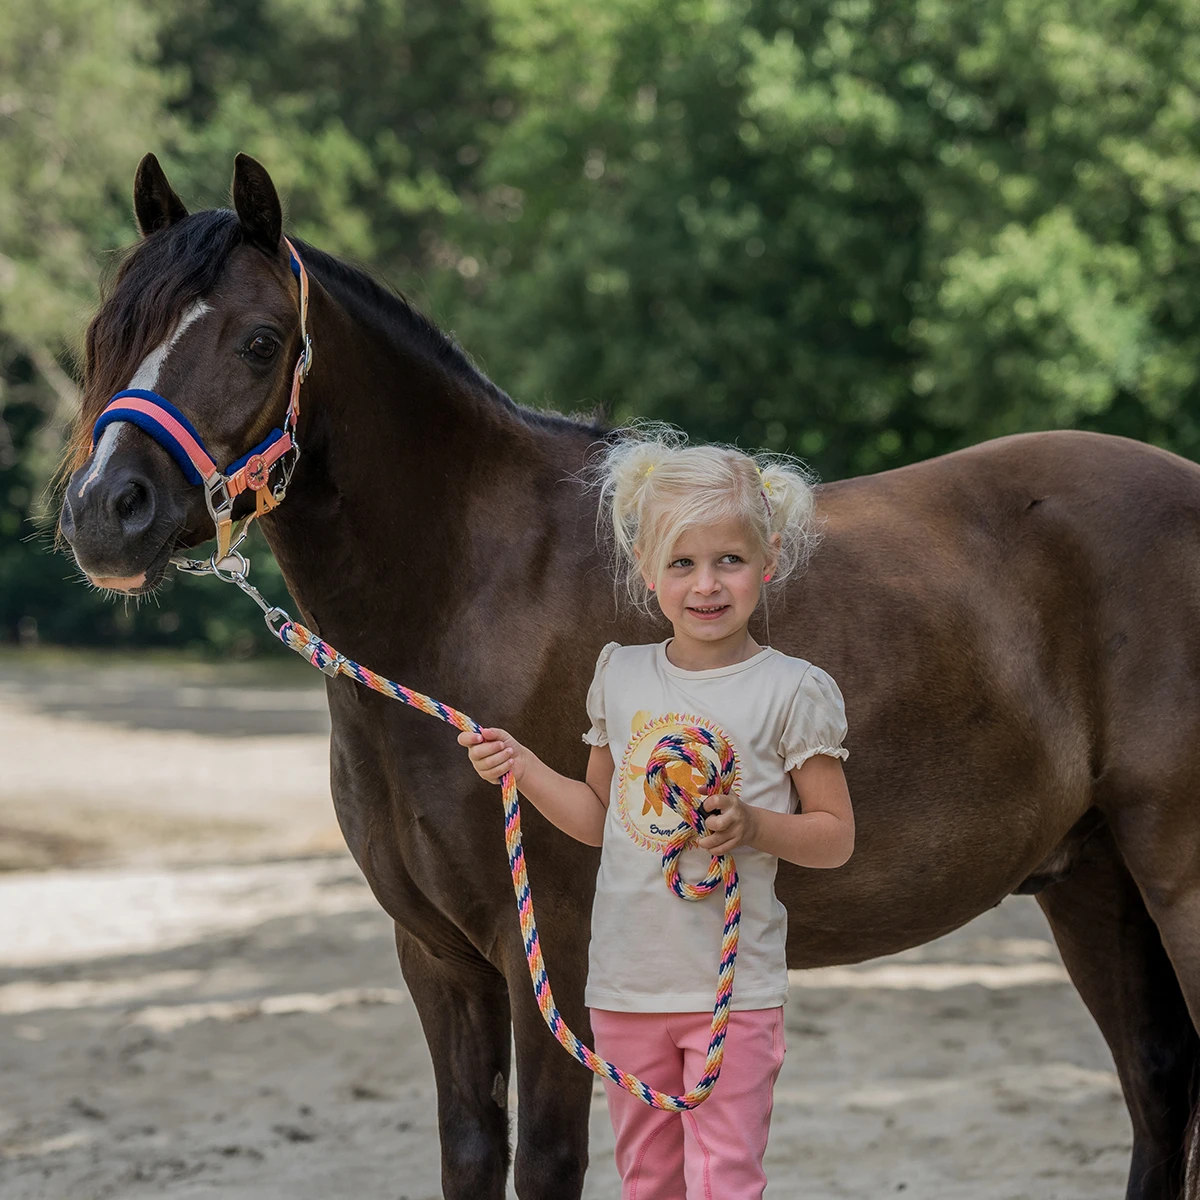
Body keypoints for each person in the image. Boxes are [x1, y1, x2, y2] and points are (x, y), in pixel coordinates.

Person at [458, 421, 855, 1199]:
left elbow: (835, 837)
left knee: (725, 1177)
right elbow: (598, 816)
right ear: (646, 570)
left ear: (768, 563)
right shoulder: (622, 677)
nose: (706, 585)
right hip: (625, 989)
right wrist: (525, 768)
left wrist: (756, 827)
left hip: (730, 995)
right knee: (649, 1178)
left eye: (729, 561)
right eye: (682, 563)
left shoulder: (792, 691)